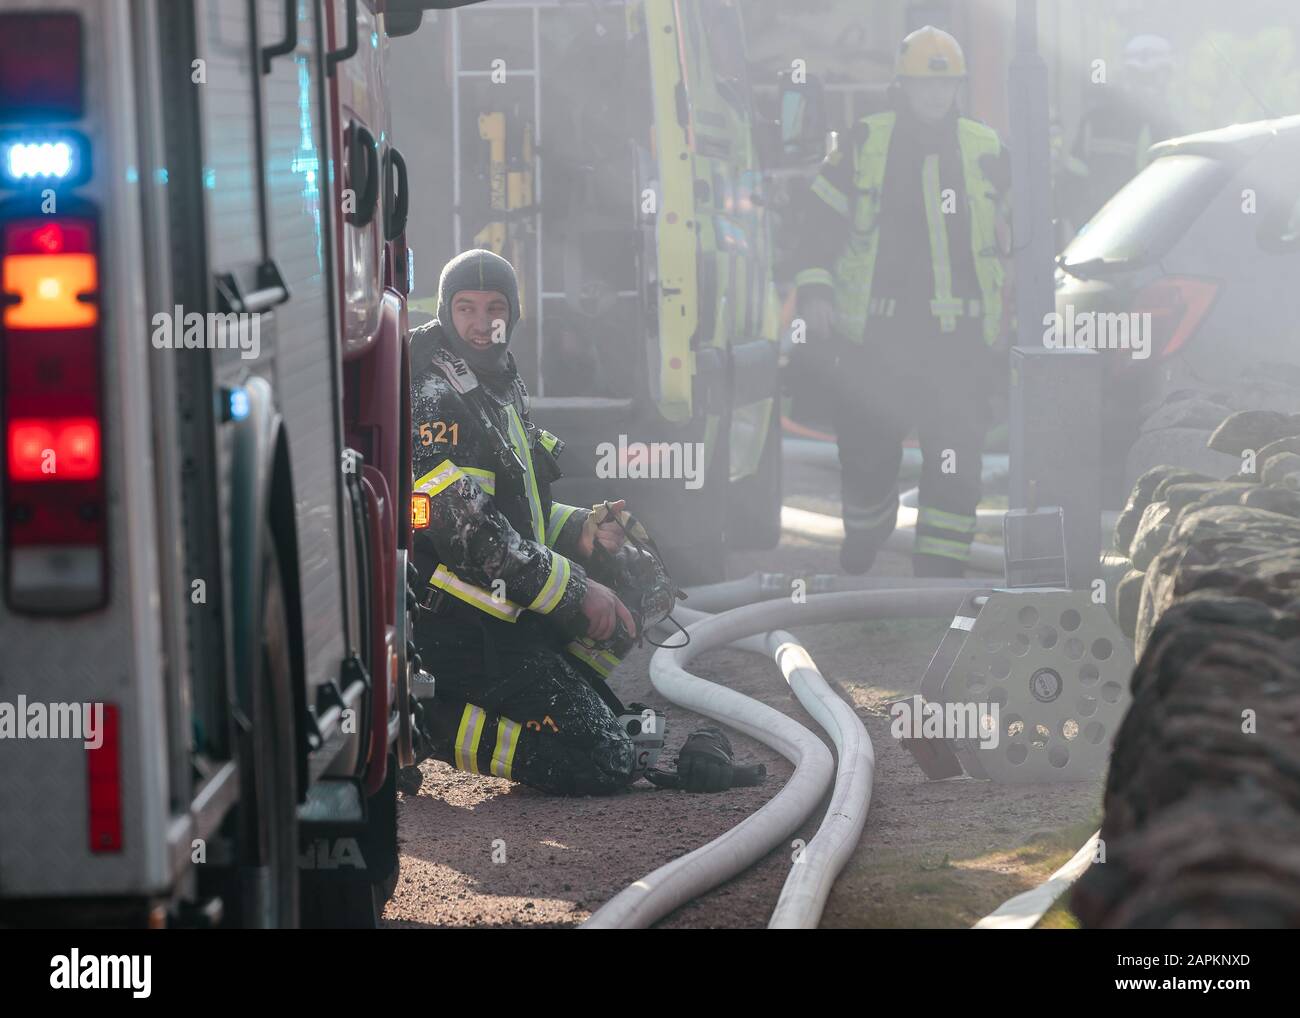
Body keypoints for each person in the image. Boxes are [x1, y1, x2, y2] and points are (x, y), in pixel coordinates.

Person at [407, 249, 744, 794]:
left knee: (641, 575)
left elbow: (518, 510)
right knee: (605, 761)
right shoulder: (433, 393)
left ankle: (560, 687)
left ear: (514, 315)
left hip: (506, 607)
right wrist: (578, 591)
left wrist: (582, 531)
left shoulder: (495, 377)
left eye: (495, 308)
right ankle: (428, 723)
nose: (481, 323)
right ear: (445, 311)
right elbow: (472, 536)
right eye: (465, 308)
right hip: (459, 627)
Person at [791, 25, 1010, 577]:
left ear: (958, 87)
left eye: (946, 85)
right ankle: (867, 527)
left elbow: (1024, 229)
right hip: (877, 339)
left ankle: (938, 579)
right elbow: (816, 222)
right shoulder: (866, 142)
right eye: (925, 85)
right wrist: (815, 290)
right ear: (903, 86)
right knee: (867, 453)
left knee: (955, 459)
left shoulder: (986, 149)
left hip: (960, 342)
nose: (936, 95)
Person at [1068, 34, 1177, 229]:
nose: (1155, 87)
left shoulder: (1094, 119)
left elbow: (1072, 180)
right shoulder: (1161, 124)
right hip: (1137, 230)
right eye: (1149, 78)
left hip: (1101, 232)